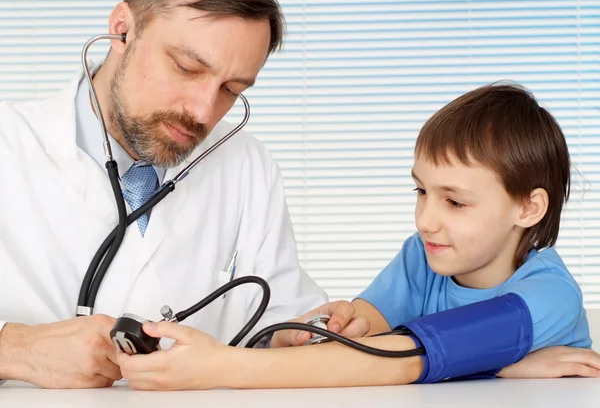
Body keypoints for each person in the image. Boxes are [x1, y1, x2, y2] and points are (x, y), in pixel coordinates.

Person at [118, 83, 600, 390]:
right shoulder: (425, 256)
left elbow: (405, 359)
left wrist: (221, 367)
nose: (425, 220)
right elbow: (372, 327)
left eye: (454, 201)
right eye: (421, 191)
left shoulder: (546, 296)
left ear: (528, 207)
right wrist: (349, 321)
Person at [0, 0, 339, 389]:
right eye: (186, 67)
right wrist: (15, 349)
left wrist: (302, 334)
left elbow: (279, 318)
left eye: (231, 90)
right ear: (123, 29)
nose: (202, 111)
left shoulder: (247, 164)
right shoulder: (9, 144)